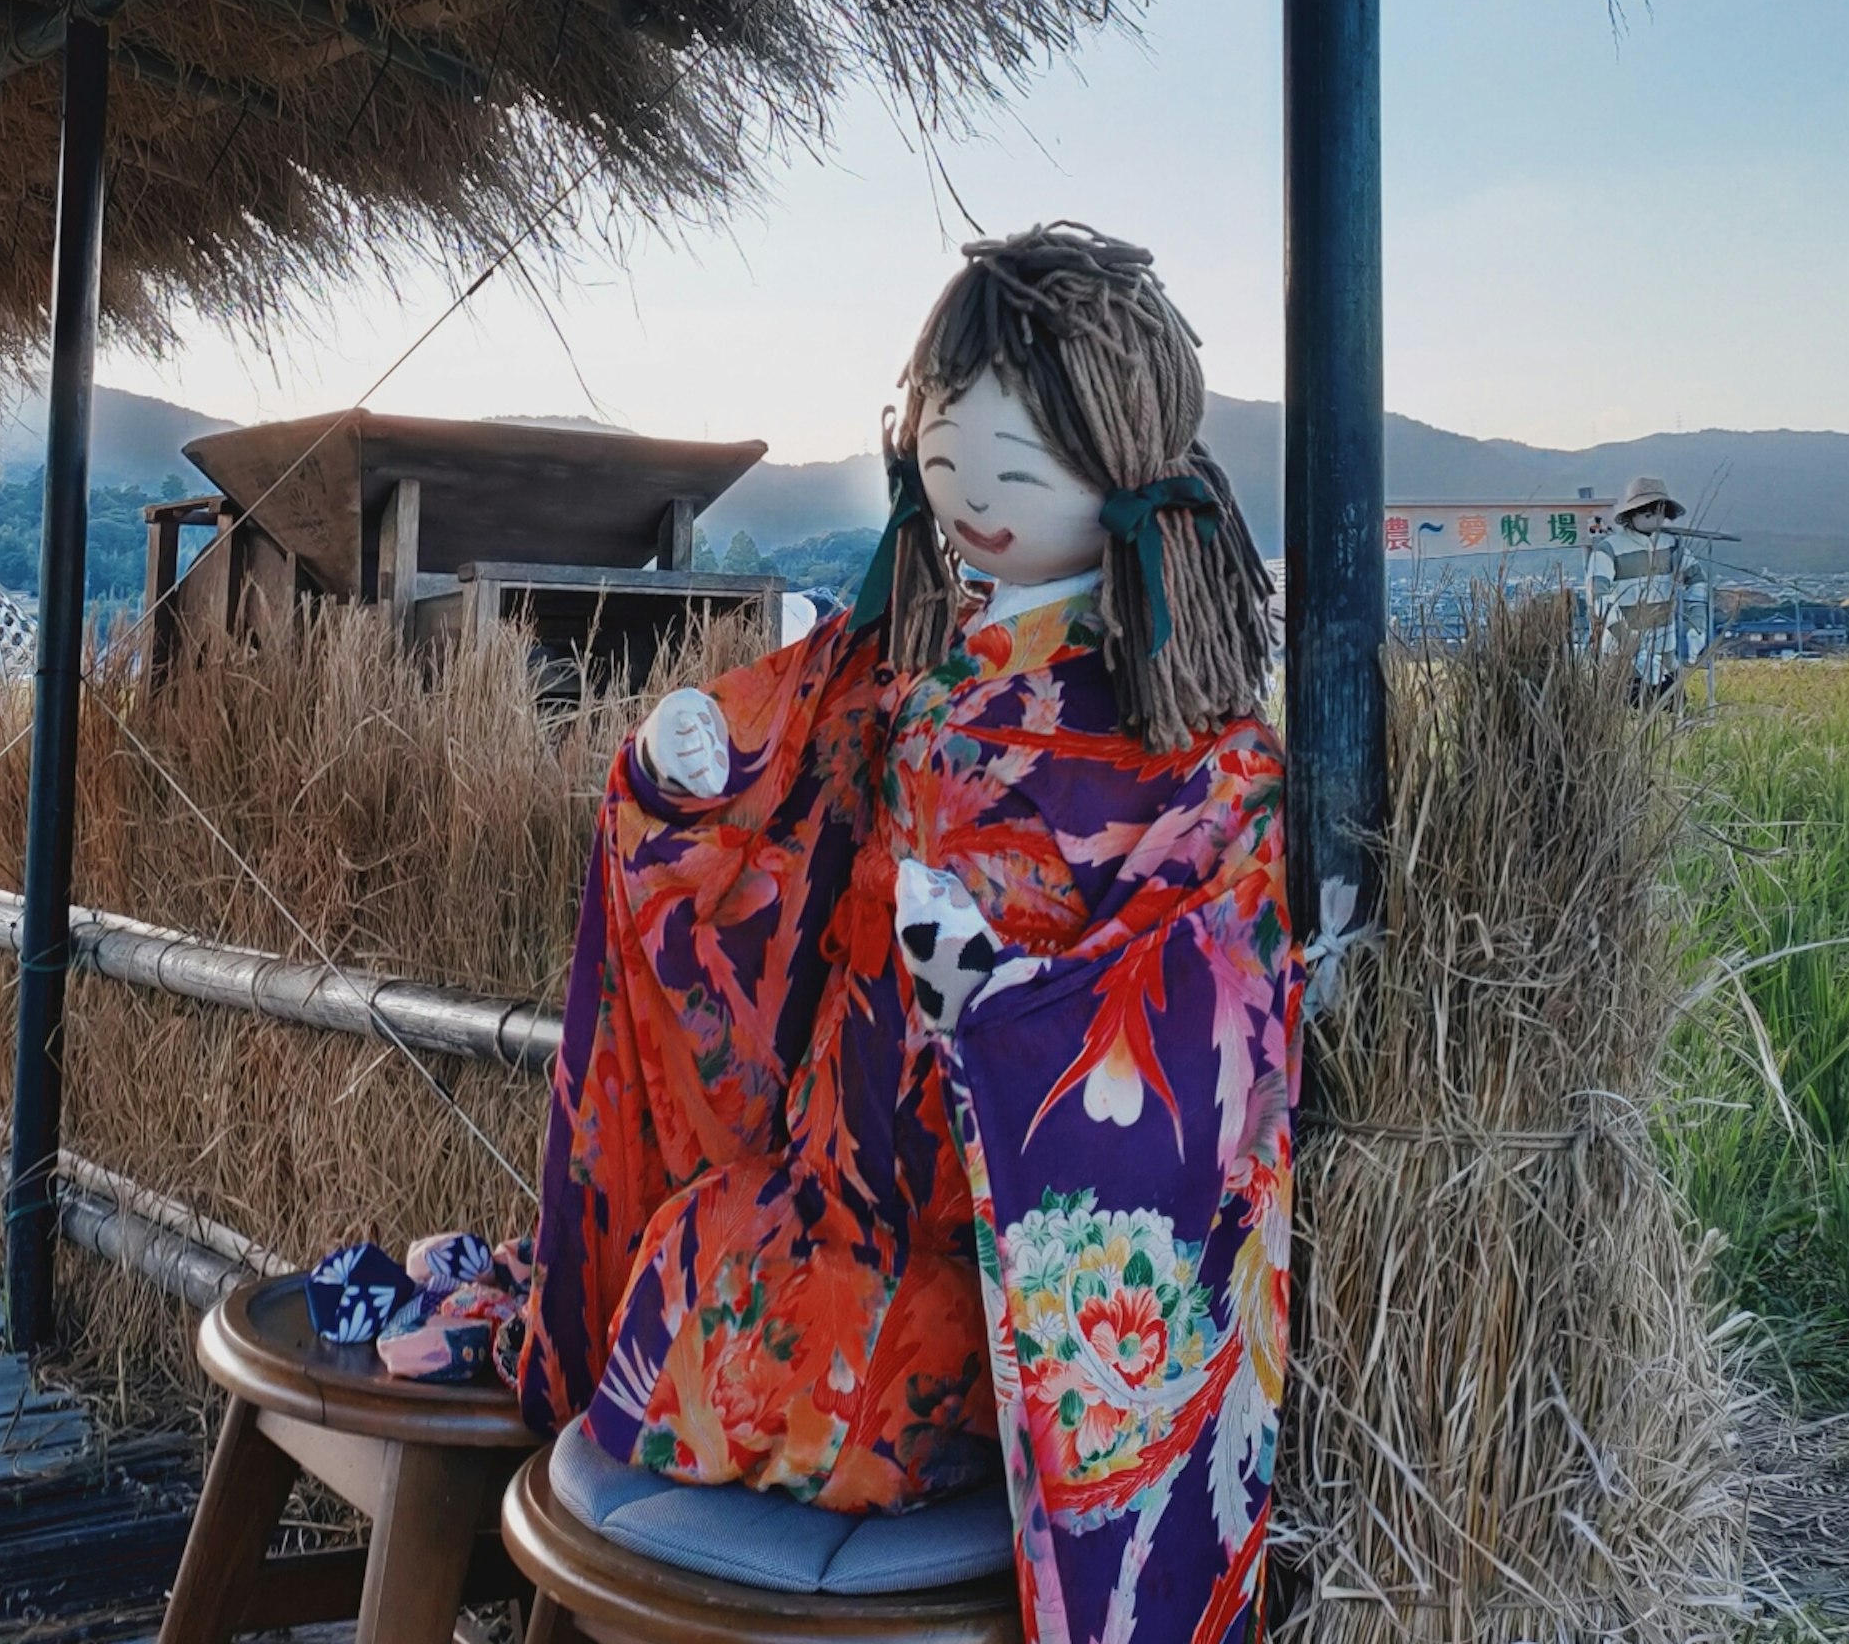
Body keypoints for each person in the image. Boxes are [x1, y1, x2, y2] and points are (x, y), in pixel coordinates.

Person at [522, 224, 1301, 1644]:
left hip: (991, 1251)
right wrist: (693, 780)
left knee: (896, 1357)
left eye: (1023, 454)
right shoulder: (915, 684)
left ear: (1120, 462)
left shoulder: (1202, 758)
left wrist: (1012, 1007)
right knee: (700, 1251)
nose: (967, 477)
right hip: (827, 1189)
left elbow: (1219, 1012)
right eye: (947, 436)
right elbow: (792, 805)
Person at [1582, 477, 1700, 704]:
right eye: (1647, 512)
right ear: (1632, 514)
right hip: (1623, 658)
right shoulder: (1609, 549)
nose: (1655, 517)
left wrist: (1698, 625)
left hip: (1666, 652)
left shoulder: (1672, 545)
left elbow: (1697, 579)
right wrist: (1632, 646)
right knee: (1626, 716)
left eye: (1659, 512)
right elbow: (1597, 595)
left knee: (1673, 712)